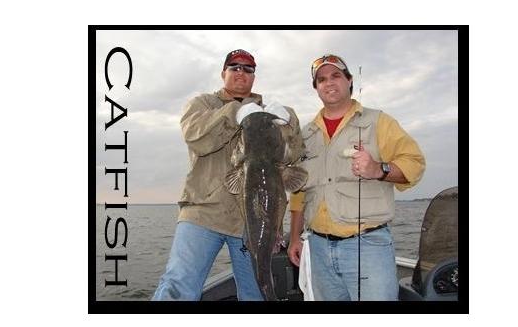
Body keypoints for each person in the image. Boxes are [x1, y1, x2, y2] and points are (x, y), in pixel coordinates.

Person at [152, 49, 304, 301]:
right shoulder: (201, 105)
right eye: (234, 67)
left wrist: (290, 123)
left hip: (252, 219)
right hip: (203, 212)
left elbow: (294, 156)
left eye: (248, 69)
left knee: (257, 292)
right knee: (178, 286)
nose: (241, 72)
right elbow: (195, 137)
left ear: (254, 76)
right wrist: (234, 112)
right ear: (223, 73)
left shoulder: (270, 113)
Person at [287, 54, 426, 301]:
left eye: (336, 76)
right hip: (317, 248)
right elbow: (299, 192)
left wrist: (379, 169)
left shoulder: (379, 121)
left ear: (349, 81)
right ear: (316, 88)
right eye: (321, 79)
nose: (329, 83)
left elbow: (414, 164)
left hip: (368, 246)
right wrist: (295, 237)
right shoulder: (305, 135)